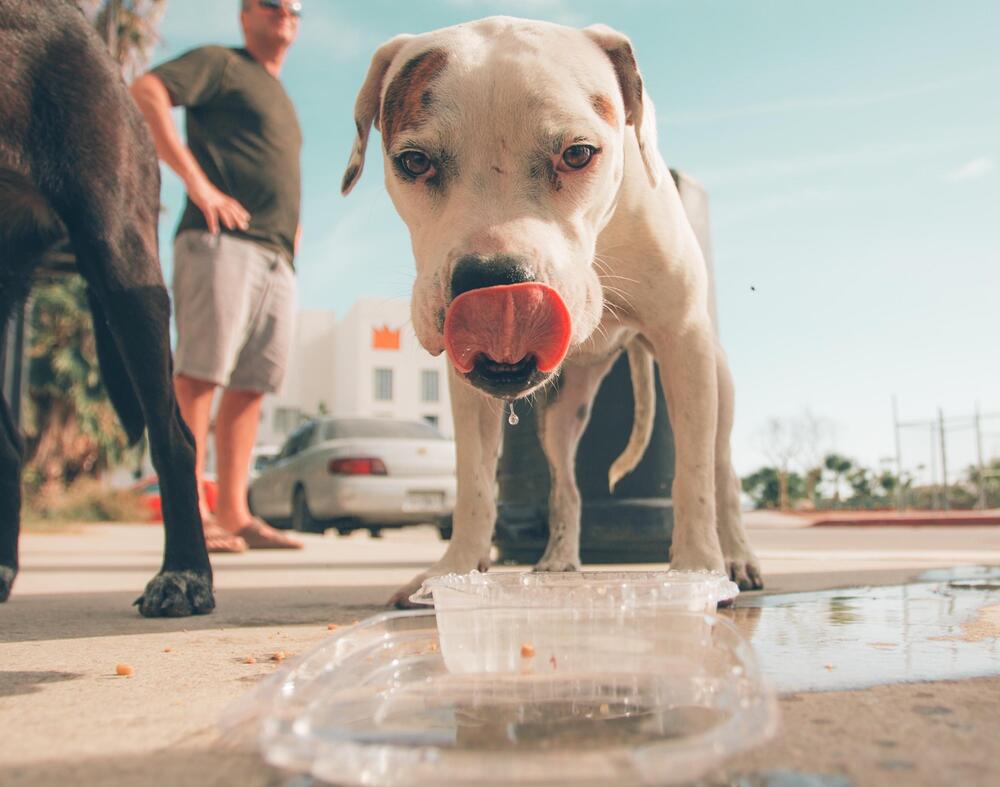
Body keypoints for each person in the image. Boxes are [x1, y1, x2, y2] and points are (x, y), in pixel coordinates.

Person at [131, 0, 305, 552]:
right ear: (244, 15)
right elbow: (146, 93)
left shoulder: (279, 93)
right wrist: (197, 184)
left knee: (253, 386)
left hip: (276, 255)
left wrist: (292, 236)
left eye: (295, 9)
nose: (285, 13)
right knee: (202, 375)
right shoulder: (223, 64)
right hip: (221, 242)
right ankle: (190, 513)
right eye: (272, 4)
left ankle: (234, 512)